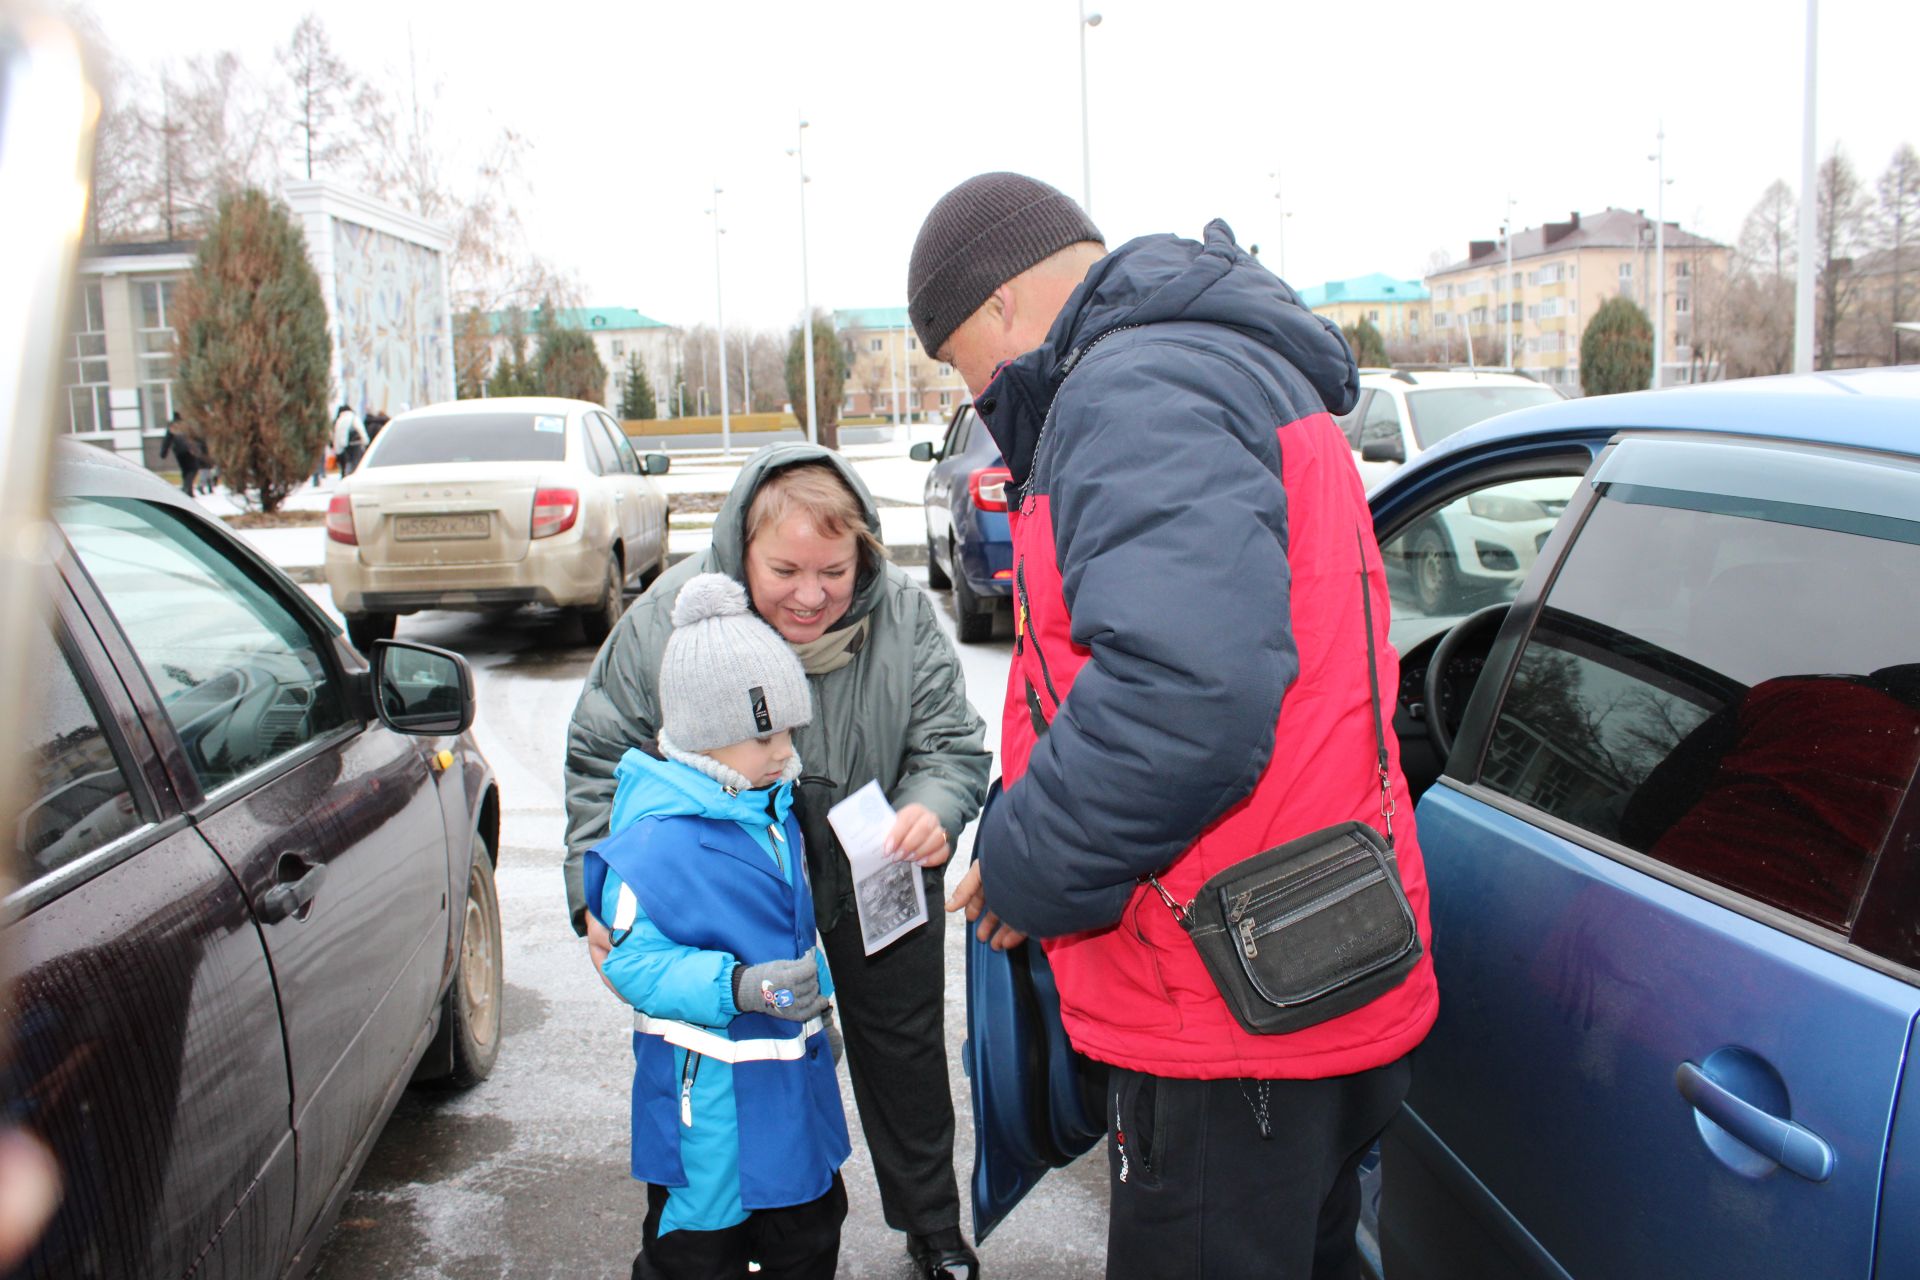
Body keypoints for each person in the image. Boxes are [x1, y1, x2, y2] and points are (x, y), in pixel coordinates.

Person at [910, 173, 1439, 1280]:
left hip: (1227, 1005)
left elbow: (1185, 693)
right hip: (1310, 956)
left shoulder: (1133, 388)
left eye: (959, 361)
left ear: (1000, 308)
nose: (973, 392)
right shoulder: (1219, 362)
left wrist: (1021, 859)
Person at [567, 444, 991, 1279]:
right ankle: (707, 1233)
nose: (811, 594)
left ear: (864, 550)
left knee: (902, 1051)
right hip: (729, 892)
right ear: (741, 551)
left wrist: (931, 811)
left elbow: (951, 745)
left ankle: (931, 1225)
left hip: (878, 874)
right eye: (785, 569)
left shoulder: (902, 616)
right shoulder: (673, 618)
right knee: (731, 1051)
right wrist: (595, 883)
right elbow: (600, 753)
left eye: (834, 569)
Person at [584, 572, 851, 1280]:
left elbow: (792, 935)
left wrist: (817, 1010)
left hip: (791, 1102)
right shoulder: (651, 845)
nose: (783, 749)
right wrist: (736, 986)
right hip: (708, 1116)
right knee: (699, 1259)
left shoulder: (772, 812)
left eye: (789, 729)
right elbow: (630, 962)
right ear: (705, 735)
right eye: (764, 734)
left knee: (810, 1235)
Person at [157, 412, 202, 498]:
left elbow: (167, 440)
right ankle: (187, 488)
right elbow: (195, 437)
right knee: (193, 469)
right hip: (189, 450)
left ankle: (189, 491)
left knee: (185, 470)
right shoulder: (185, 425)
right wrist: (198, 449)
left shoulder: (172, 426)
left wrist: (163, 453)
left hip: (178, 451)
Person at [331, 403, 368, 476]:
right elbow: (360, 429)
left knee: (348, 462)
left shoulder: (339, 420)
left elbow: (336, 436)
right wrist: (365, 441)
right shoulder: (353, 417)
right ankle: (355, 477)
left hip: (344, 446)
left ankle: (347, 476)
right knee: (356, 463)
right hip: (355, 444)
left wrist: (337, 449)